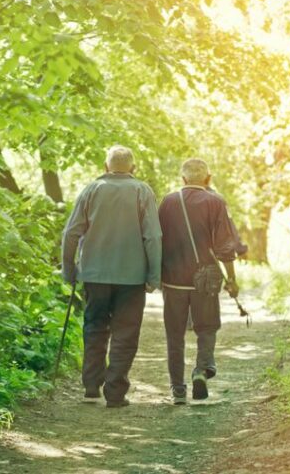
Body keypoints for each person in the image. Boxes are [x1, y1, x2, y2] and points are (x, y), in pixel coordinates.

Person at [61, 145, 162, 408]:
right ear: (133, 168)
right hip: (131, 277)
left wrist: (69, 270)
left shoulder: (91, 190)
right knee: (126, 333)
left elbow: (71, 233)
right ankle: (116, 392)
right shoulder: (142, 191)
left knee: (94, 327)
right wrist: (154, 274)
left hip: (94, 274)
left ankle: (91, 385)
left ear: (106, 167)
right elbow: (153, 236)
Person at [159, 158, 239, 404]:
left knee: (175, 334)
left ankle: (178, 390)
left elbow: (155, 238)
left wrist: (154, 274)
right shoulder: (215, 202)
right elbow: (225, 245)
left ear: (183, 179)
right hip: (205, 279)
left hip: (173, 280)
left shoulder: (168, 202)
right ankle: (202, 371)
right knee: (206, 328)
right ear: (208, 178)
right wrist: (232, 279)